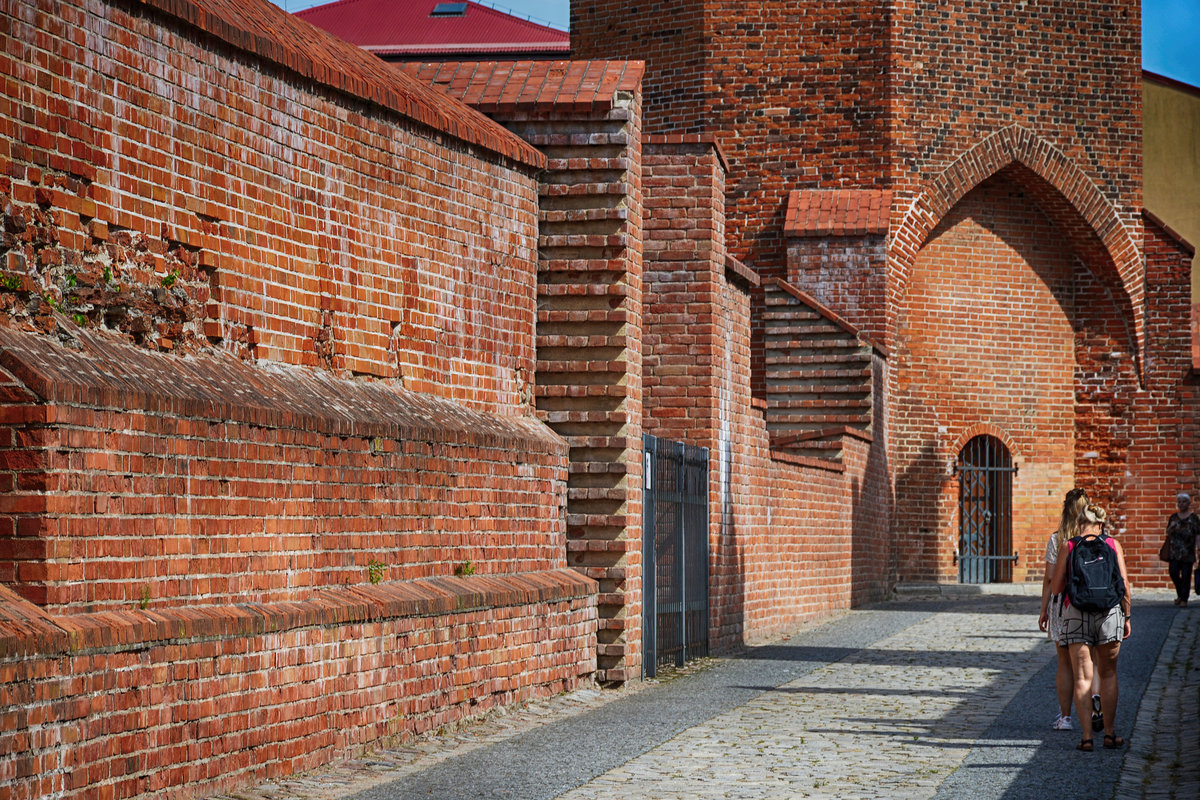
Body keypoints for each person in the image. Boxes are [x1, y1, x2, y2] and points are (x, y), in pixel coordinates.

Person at [1051, 503, 1132, 752]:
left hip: (1077, 614)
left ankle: (1087, 738)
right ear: (1100, 525)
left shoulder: (1069, 546)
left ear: (1079, 524)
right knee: (1107, 674)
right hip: (1109, 614)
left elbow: (1056, 588)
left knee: (1083, 678)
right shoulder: (1112, 545)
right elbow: (1125, 584)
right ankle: (1109, 734)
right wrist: (1126, 616)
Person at [1039, 488, 1095, 732]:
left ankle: (1066, 717)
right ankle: (1094, 712)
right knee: (1089, 661)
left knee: (1064, 662)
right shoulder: (1098, 537)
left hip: (1063, 605)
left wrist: (1043, 610)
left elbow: (1050, 579)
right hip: (1092, 604)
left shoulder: (1057, 538)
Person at [1164, 492, 1200, 606]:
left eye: (1184, 501)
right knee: (1173, 572)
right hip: (1174, 552)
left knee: (1186, 576)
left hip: (1188, 552)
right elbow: (1168, 533)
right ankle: (1180, 594)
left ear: (1188, 503)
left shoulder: (1193, 518)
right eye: (1179, 502)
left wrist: (1199, 549)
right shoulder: (1174, 517)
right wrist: (1171, 527)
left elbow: (1198, 534)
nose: (1181, 504)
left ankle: (1184, 599)